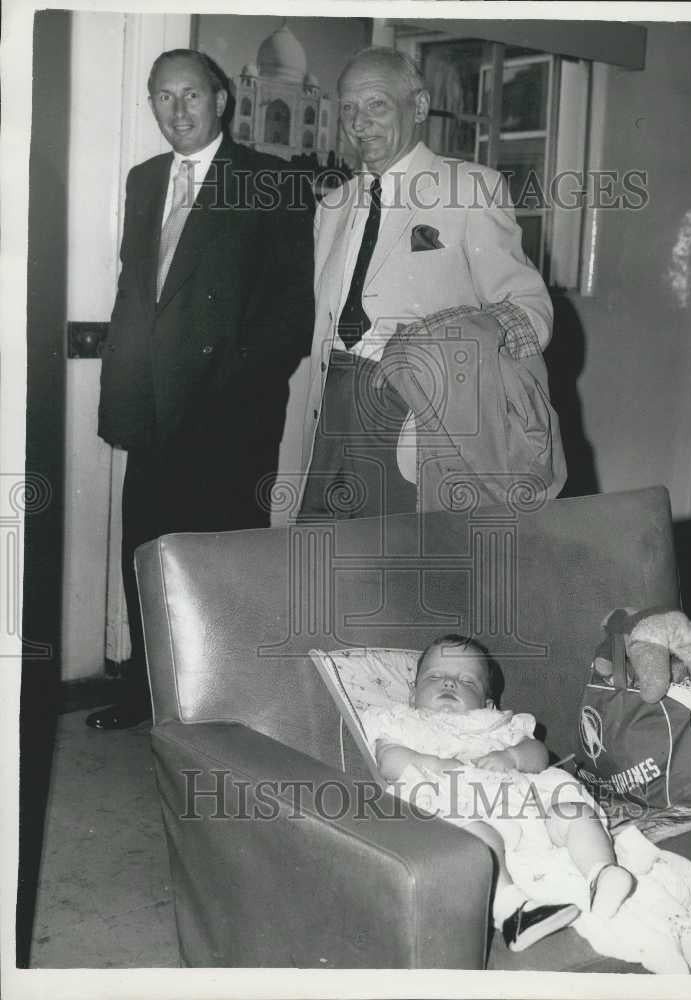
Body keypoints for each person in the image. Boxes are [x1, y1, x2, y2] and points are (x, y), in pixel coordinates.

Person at [89, 49, 314, 730]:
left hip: (228, 421)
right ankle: (147, 692)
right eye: (163, 97)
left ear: (221, 98)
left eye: (191, 94)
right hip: (151, 413)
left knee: (221, 567)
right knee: (147, 556)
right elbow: (136, 295)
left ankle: (224, 706)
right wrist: (123, 394)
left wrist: (225, 399)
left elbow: (286, 320)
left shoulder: (268, 181)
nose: (178, 111)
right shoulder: (145, 179)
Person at [297, 47, 564, 521]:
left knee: (407, 579)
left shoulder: (470, 189)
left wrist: (442, 346)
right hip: (332, 420)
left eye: (377, 105)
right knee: (322, 575)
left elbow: (530, 310)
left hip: (422, 422)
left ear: (417, 107)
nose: (360, 123)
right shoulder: (332, 207)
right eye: (349, 108)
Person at [362, 635, 636, 953]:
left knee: (572, 811)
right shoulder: (404, 721)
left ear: (488, 704)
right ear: (412, 693)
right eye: (435, 676)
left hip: (525, 804)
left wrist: (511, 757)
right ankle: (513, 910)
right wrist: (435, 764)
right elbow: (389, 761)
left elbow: (538, 755)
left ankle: (602, 872)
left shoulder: (499, 724)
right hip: (456, 802)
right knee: (477, 836)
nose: (449, 683)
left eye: (466, 680)